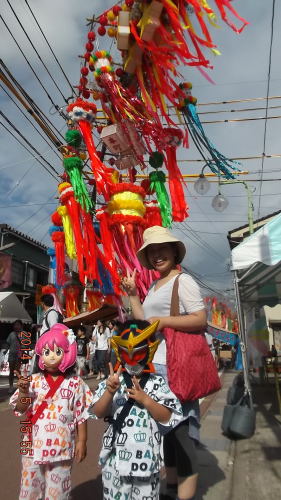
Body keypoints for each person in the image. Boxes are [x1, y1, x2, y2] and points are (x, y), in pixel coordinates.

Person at [122, 226, 207, 500]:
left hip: (177, 366)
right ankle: (171, 489)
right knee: (167, 433)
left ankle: (185, 495)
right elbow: (146, 324)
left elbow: (200, 319)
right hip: (157, 367)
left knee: (182, 435)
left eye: (162, 249)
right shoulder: (156, 285)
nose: (157, 255)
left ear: (173, 251)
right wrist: (133, 294)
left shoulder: (184, 281)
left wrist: (164, 321)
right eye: (152, 252)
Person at [92, 319, 183, 500]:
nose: (132, 359)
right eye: (127, 352)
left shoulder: (157, 383)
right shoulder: (113, 381)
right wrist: (110, 392)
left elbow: (167, 417)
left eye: (138, 351)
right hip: (115, 463)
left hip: (147, 464)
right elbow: (98, 412)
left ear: (149, 349)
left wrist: (146, 401)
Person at [10, 323, 94, 500]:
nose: (52, 357)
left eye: (57, 351)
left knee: (58, 492)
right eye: (47, 352)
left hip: (62, 447)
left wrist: (82, 441)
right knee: (29, 489)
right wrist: (24, 391)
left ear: (67, 353)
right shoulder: (32, 380)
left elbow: (81, 414)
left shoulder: (76, 383)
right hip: (31, 445)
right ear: (40, 356)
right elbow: (20, 408)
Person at [5, 319, 23, 393]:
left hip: (19, 356)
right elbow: (7, 343)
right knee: (11, 371)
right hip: (12, 355)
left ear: (21, 326)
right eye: (15, 325)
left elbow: (26, 344)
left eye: (18, 324)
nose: (16, 326)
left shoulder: (24, 334)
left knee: (18, 371)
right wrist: (5, 350)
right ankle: (11, 387)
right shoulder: (11, 334)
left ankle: (20, 387)